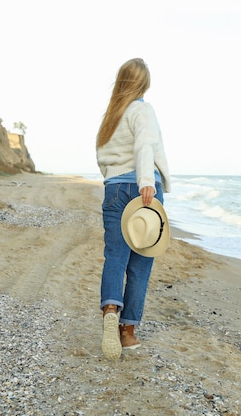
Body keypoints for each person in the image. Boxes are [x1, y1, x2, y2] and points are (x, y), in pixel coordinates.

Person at [95, 58, 171, 360]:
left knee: (115, 255)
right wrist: (144, 182)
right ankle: (127, 332)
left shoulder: (110, 116)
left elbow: (102, 157)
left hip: (114, 188)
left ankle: (111, 308)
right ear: (143, 84)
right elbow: (144, 147)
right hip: (142, 191)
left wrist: (116, 179)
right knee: (140, 263)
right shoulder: (142, 110)